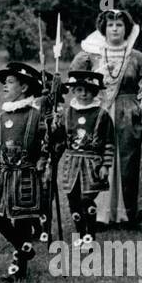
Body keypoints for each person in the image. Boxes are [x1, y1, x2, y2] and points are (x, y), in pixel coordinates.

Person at [68, 8, 142, 226]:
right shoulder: (93, 56)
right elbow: (80, 86)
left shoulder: (136, 57)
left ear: (126, 29)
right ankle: (98, 214)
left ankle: (127, 214)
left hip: (128, 116)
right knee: (97, 159)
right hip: (99, 114)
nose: (115, 28)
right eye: (110, 25)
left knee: (128, 163)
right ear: (103, 29)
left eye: (119, 25)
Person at [0, 61, 51, 282]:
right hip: (3, 178)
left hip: (26, 177)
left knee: (21, 222)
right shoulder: (0, 118)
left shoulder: (36, 115)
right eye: (4, 82)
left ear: (24, 88)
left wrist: (44, 159)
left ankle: (19, 270)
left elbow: (47, 144)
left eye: (10, 82)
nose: (5, 86)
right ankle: (23, 246)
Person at [54, 70, 115, 248]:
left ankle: (90, 236)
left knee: (86, 199)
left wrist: (105, 165)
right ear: (74, 91)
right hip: (71, 164)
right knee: (73, 199)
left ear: (95, 92)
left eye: (89, 90)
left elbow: (109, 143)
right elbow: (60, 141)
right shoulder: (66, 113)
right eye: (80, 89)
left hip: (92, 164)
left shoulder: (102, 115)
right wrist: (54, 127)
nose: (84, 94)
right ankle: (80, 234)